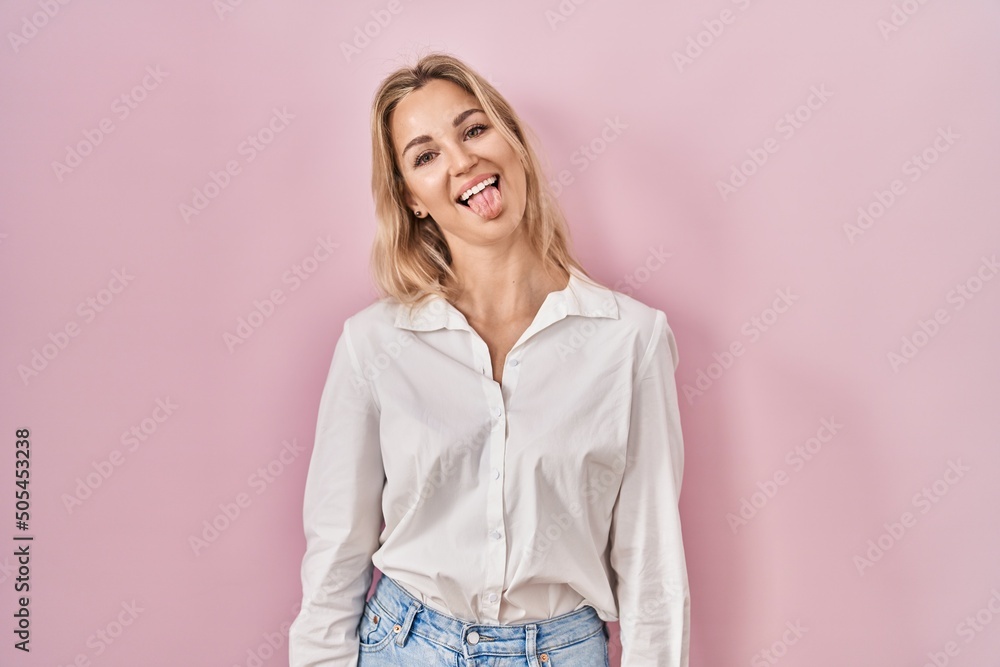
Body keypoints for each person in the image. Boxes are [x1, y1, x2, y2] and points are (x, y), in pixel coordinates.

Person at [288, 52, 690, 667]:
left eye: (473, 129)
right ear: (413, 198)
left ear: (513, 141)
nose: (462, 160)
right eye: (425, 155)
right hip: (404, 645)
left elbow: (652, 562)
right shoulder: (373, 345)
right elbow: (336, 558)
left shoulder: (631, 340)